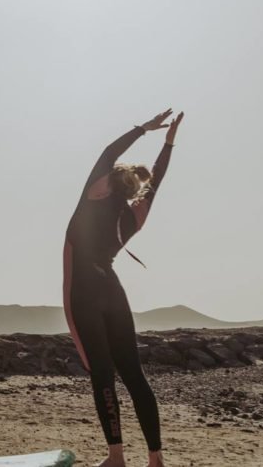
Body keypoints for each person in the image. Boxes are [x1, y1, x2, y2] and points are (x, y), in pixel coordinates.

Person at [64, 109, 182, 467]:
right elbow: (157, 179)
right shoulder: (134, 216)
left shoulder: (92, 197)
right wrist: (168, 143)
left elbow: (108, 151)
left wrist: (144, 129)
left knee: (103, 373)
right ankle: (155, 458)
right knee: (134, 374)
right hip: (113, 291)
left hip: (84, 290)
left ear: (108, 181)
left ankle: (116, 456)